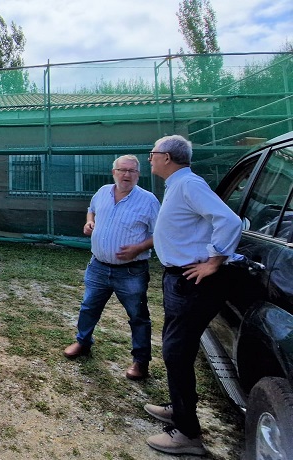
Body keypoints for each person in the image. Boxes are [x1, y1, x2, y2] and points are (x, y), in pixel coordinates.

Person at [144, 135, 242, 456]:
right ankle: (180, 407)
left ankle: (187, 434)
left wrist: (215, 260)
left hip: (191, 281)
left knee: (177, 352)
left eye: (153, 153)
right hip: (179, 278)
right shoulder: (177, 185)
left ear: (168, 157)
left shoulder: (189, 185)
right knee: (176, 349)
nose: (150, 158)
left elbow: (228, 220)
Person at [63, 154, 160, 381]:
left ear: (138, 174)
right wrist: (89, 221)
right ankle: (83, 342)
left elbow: (160, 234)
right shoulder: (103, 192)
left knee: (138, 316)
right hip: (98, 266)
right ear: (113, 172)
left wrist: (138, 248)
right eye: (122, 170)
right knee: (89, 307)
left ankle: (140, 361)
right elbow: (92, 209)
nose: (126, 175)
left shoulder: (148, 201)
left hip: (131, 271)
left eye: (132, 171)